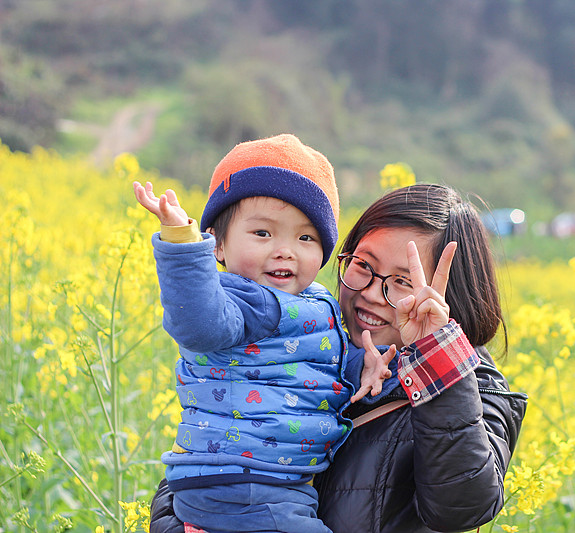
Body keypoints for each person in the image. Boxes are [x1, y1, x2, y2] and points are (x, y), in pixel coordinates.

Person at [150, 183, 528, 533]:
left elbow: (461, 507)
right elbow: (201, 471)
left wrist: (437, 355)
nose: (372, 294)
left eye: (403, 281)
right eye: (363, 265)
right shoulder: (303, 346)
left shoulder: (476, 390)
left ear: (450, 296)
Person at [135, 134, 423, 533]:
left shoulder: (316, 302)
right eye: (263, 234)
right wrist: (183, 246)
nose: (285, 250)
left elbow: (321, 356)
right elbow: (197, 325)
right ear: (217, 245)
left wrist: (364, 366)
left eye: (305, 238)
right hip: (238, 479)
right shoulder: (238, 300)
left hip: (279, 481)